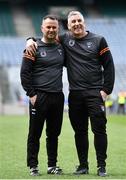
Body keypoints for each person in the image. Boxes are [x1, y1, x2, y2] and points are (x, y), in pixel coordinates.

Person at [26, 11, 115, 177]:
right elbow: (47, 35)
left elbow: (109, 66)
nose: (76, 24)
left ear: (84, 22)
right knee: (80, 132)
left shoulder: (99, 40)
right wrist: (29, 39)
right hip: (75, 95)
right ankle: (83, 165)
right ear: (68, 26)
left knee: (99, 130)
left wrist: (105, 91)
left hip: (95, 93)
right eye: (73, 22)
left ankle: (101, 166)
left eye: (79, 20)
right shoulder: (65, 39)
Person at [20, 15, 65, 176]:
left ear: (58, 29)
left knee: (53, 134)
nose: (51, 30)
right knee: (35, 133)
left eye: (54, 27)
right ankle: (33, 166)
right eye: (48, 27)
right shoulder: (33, 47)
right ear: (42, 28)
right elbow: (24, 73)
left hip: (57, 97)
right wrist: (31, 95)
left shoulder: (61, 47)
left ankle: (52, 165)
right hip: (39, 97)